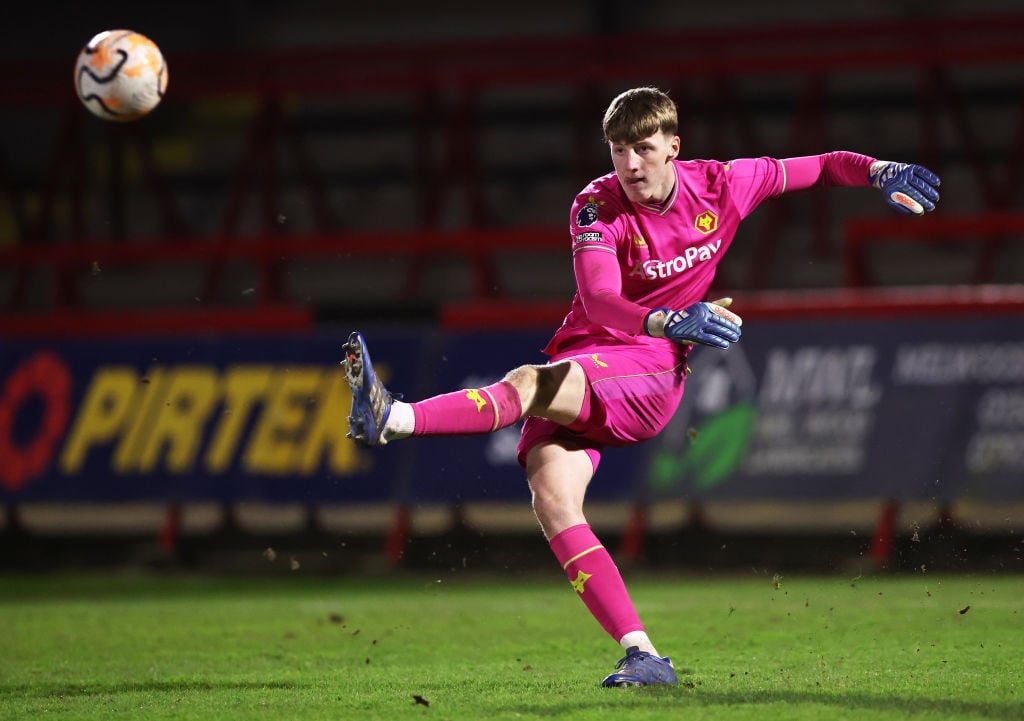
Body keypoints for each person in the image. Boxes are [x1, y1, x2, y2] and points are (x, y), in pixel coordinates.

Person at [340, 86, 941, 687]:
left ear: (674, 147)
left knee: (527, 382)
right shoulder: (595, 207)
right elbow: (601, 300)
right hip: (598, 349)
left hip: (649, 371)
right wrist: (668, 317)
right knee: (553, 502)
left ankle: (393, 417)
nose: (629, 165)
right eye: (618, 150)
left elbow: (817, 167)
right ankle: (644, 656)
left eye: (643, 149)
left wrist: (879, 169)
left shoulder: (724, 184)